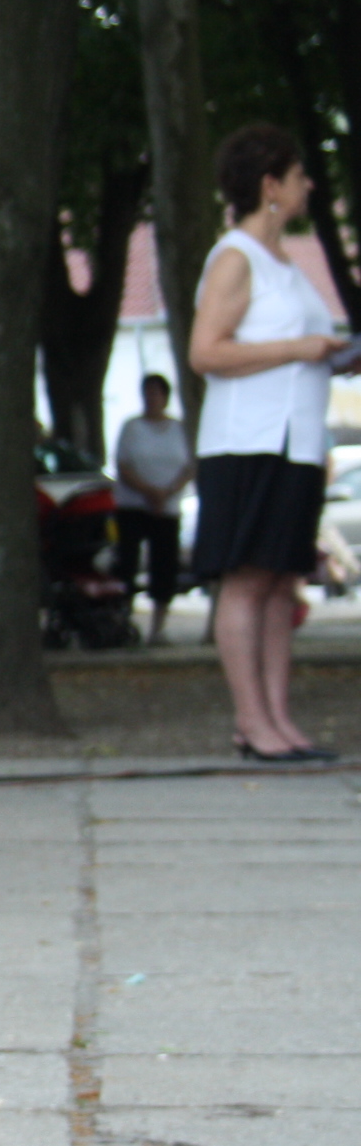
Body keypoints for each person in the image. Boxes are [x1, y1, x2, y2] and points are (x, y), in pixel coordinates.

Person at [189, 123, 344, 762]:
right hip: (246, 443)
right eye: (301, 175)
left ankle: (279, 719)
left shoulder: (285, 264)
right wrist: (298, 348)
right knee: (248, 580)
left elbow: (296, 348)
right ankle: (251, 722)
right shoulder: (235, 258)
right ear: (270, 186)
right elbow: (206, 352)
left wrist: (329, 356)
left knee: (282, 582)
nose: (311, 186)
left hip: (296, 443)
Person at [113, 373, 195, 647]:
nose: (151, 398)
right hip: (133, 505)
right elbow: (123, 465)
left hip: (167, 508)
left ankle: (158, 627)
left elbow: (188, 467)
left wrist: (167, 493)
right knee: (127, 562)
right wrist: (148, 491)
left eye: (156, 393)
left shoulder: (179, 429)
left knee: (165, 565)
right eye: (147, 392)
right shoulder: (132, 427)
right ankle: (123, 619)